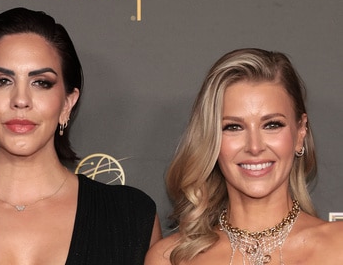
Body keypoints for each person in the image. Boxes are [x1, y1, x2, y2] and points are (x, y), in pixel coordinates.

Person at [0, 7, 161, 265]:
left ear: (68, 102)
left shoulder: (130, 217)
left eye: (41, 82)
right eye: (2, 81)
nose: (21, 100)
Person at [145, 48, 343, 265]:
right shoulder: (170, 259)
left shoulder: (338, 245)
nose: (254, 147)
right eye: (233, 127)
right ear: (211, 139)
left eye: (272, 125)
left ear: (300, 132)